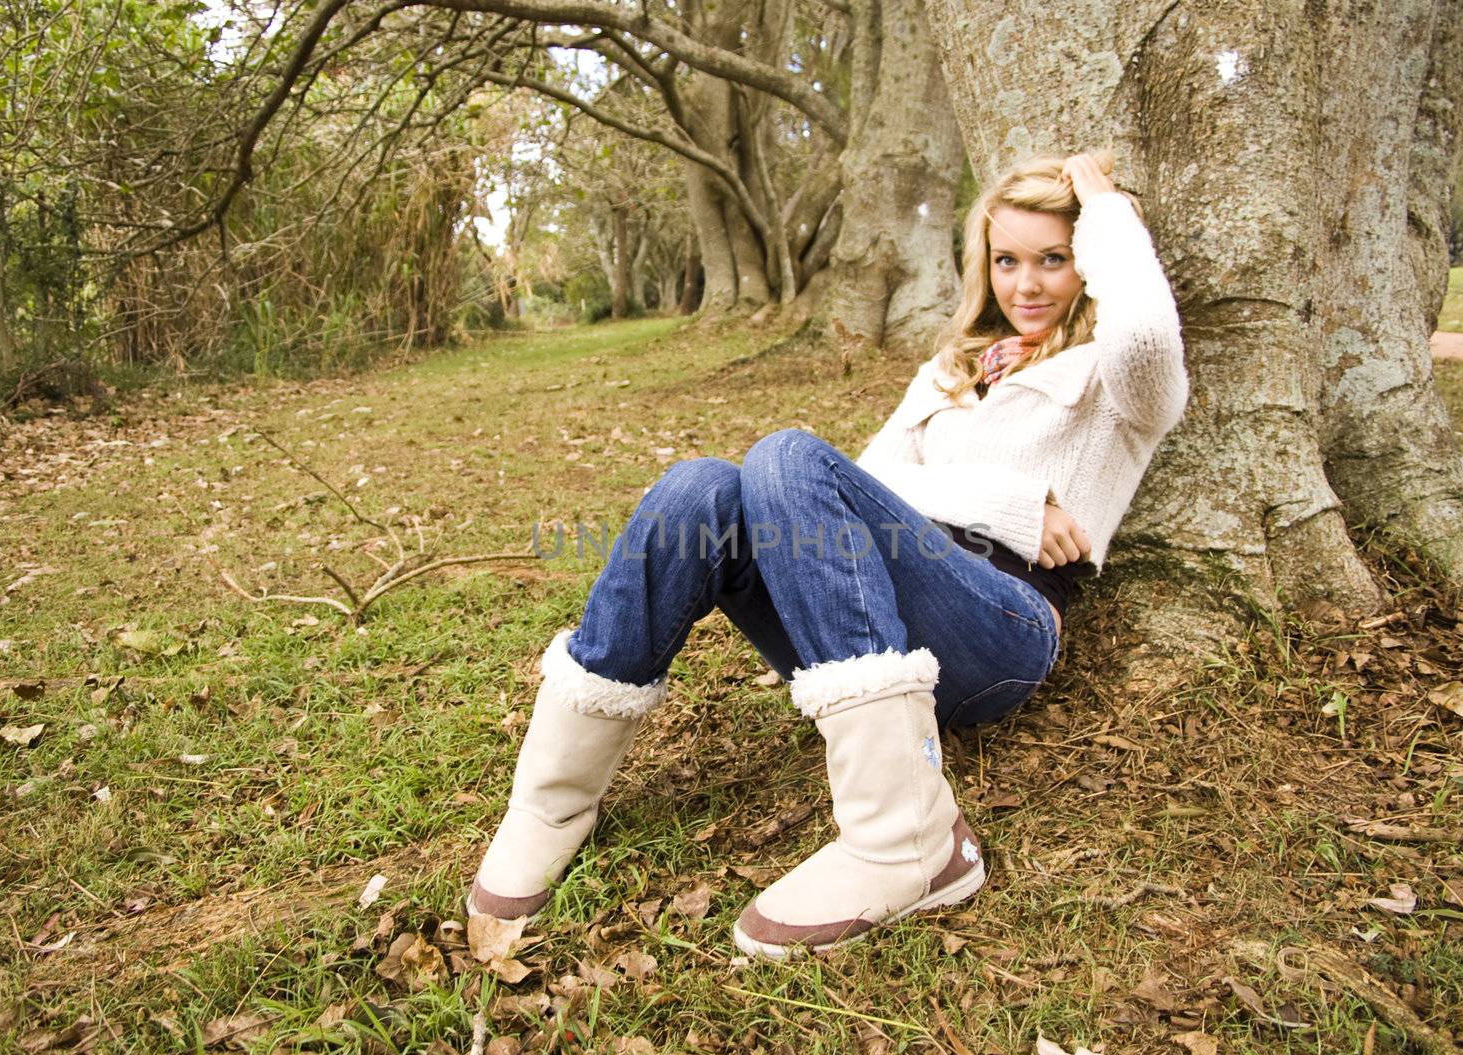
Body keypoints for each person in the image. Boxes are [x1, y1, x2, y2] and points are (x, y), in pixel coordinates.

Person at [465, 152, 1187, 960]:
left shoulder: (1115, 384)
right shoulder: (954, 370)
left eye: (1054, 259)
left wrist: (1102, 203)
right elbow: (872, 481)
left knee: (787, 454)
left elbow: (1153, 335)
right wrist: (1012, 505)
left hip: (1000, 623)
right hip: (878, 626)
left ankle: (911, 842)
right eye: (1007, 259)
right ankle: (552, 801)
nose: (1027, 284)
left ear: (1087, 262)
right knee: (697, 489)